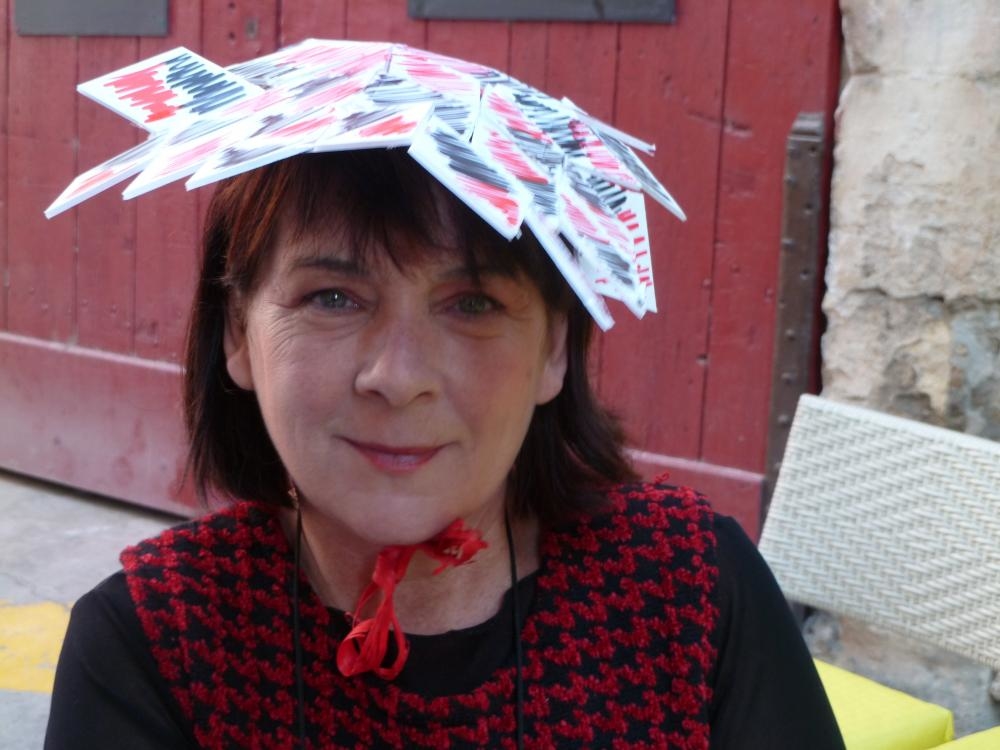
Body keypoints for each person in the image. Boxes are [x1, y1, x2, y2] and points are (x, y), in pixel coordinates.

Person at [45, 146, 843, 749]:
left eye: (471, 303)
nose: (398, 378)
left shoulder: (689, 585)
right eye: (333, 297)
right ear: (238, 336)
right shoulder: (157, 641)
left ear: (555, 351)